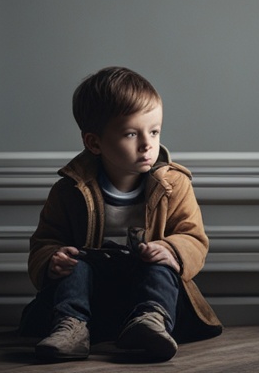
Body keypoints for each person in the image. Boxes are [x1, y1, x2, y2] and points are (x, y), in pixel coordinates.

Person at [19, 66, 223, 362]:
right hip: (94, 297)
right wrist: (53, 259)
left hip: (147, 289)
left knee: (158, 263)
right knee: (76, 264)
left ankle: (151, 322)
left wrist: (172, 250)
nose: (147, 144)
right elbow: (44, 241)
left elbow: (193, 237)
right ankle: (71, 326)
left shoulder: (173, 184)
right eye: (131, 134)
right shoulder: (69, 191)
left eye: (154, 132)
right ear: (94, 142)